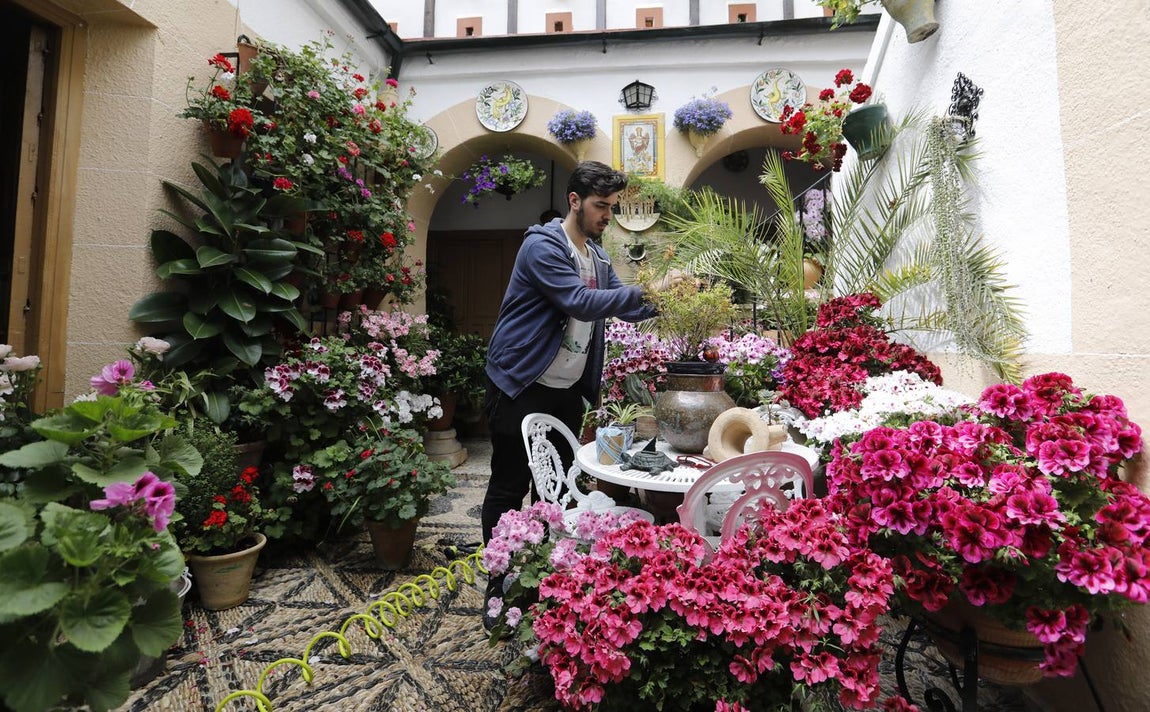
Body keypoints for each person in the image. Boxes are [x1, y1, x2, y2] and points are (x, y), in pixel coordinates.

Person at [480, 161, 676, 626]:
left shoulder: (599, 258)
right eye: (601, 206)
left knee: (558, 487)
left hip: (566, 390)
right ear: (575, 200)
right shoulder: (542, 246)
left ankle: (548, 577)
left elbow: (622, 310)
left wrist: (669, 299)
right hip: (519, 382)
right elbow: (578, 302)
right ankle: (500, 582)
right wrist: (648, 286)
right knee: (510, 484)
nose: (607, 215)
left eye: (611, 207)